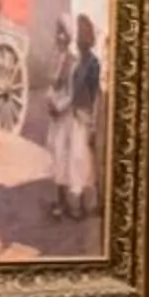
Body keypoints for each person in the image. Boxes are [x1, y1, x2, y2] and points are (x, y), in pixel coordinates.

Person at [45, 14, 103, 221]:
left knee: (79, 160)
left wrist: (90, 120)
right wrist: (54, 102)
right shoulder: (76, 62)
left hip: (79, 116)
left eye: (79, 36)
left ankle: (80, 205)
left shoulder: (89, 63)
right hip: (69, 115)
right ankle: (68, 203)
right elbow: (65, 88)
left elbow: (86, 93)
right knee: (65, 157)